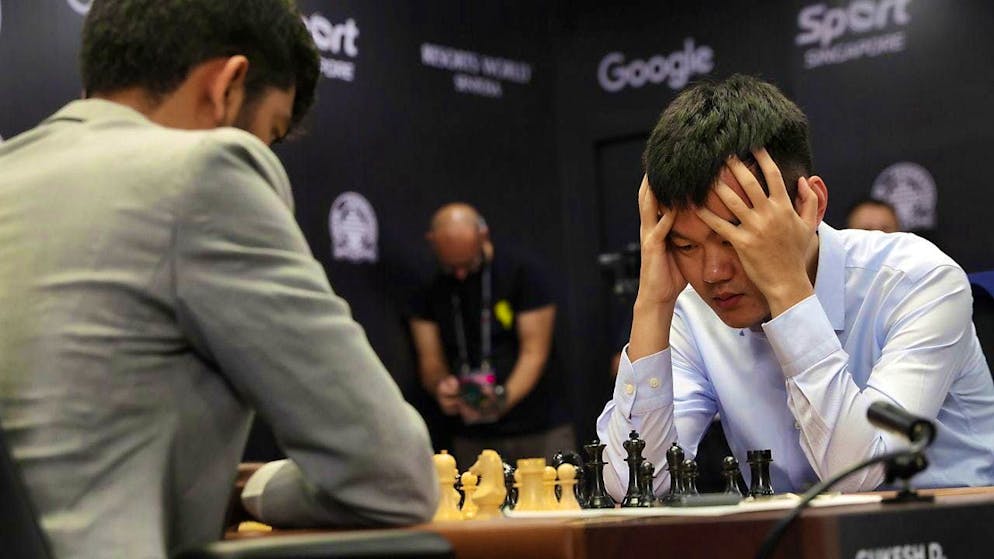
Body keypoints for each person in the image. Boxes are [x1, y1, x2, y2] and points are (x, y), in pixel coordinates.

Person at [0, 1, 436, 557]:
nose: (263, 155)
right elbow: (391, 477)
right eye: (270, 134)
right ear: (226, 86)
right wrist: (254, 489)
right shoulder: (204, 173)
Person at [596, 75, 994, 500]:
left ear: (811, 205)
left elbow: (858, 476)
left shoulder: (919, 279)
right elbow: (630, 489)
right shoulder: (694, 312)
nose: (712, 272)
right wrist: (653, 304)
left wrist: (788, 293)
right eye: (686, 245)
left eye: (736, 236)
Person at [410, 203, 574, 468]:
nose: (461, 274)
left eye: (467, 263)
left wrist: (501, 398)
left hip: (536, 426)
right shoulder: (428, 284)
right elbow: (430, 360)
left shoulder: (522, 270)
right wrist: (442, 386)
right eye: (452, 266)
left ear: (483, 236)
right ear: (433, 242)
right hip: (470, 434)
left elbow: (535, 352)